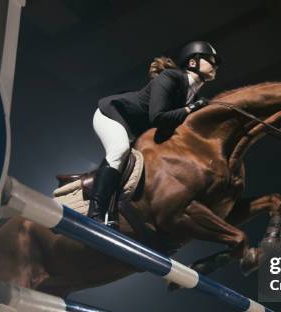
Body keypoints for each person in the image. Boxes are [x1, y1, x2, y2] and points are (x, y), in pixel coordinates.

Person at [89, 41, 221, 225]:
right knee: (119, 150)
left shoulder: (193, 96)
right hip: (113, 114)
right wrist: (191, 109)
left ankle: (116, 211)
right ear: (193, 63)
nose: (216, 65)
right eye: (211, 60)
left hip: (135, 129)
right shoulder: (170, 77)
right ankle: (95, 213)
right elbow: (158, 117)